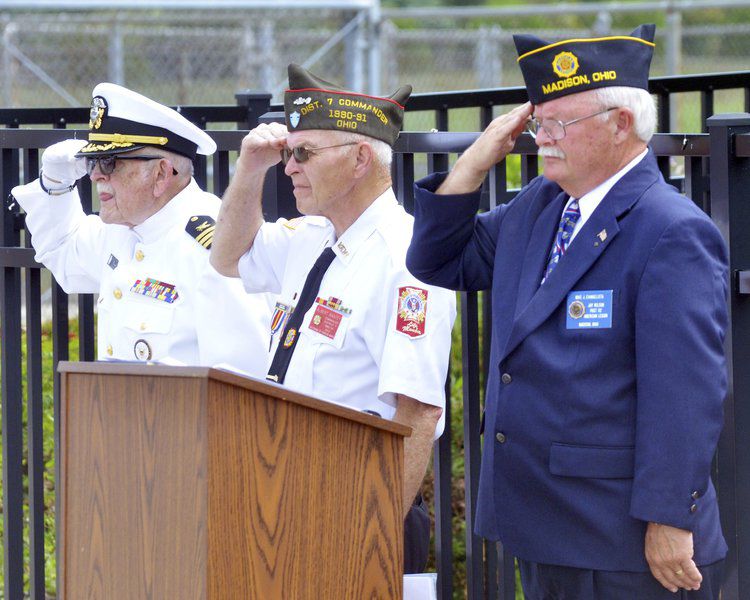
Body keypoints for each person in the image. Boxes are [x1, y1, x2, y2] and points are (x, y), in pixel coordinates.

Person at [406, 25, 728, 599]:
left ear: (620, 124)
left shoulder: (671, 230)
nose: (542, 138)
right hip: (544, 519)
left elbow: (686, 391)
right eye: (539, 123)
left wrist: (670, 519)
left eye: (560, 124)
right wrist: (476, 163)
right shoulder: (543, 206)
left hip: (622, 536)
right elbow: (437, 261)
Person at [210, 64, 457, 573]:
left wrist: (371, 529)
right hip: (286, 497)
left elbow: (417, 412)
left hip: (358, 506)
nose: (290, 167)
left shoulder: (409, 258)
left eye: (303, 153)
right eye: (288, 153)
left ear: (360, 158)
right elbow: (226, 256)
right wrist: (250, 167)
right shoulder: (310, 238)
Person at [11, 83, 272, 375]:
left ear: (161, 173)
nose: (95, 175)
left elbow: (244, 380)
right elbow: (63, 252)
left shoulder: (215, 247)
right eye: (94, 161)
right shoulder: (125, 229)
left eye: (110, 162)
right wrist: (55, 185)